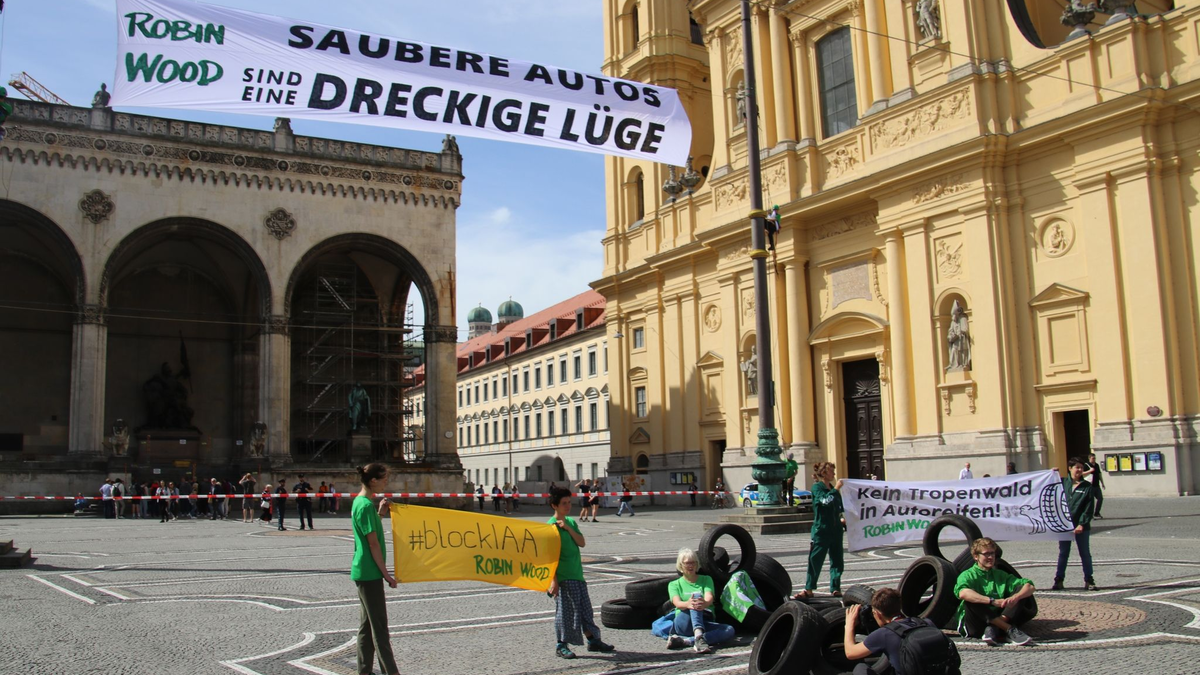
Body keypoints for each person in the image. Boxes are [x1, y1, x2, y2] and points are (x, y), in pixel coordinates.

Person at [547, 486, 614, 659]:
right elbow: (549, 557)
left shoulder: (570, 521)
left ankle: (593, 641)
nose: (568, 506)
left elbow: (581, 542)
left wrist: (568, 528)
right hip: (564, 577)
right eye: (563, 503)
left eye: (569, 502)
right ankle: (561, 644)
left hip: (577, 574)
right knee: (565, 612)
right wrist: (553, 580)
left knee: (585, 610)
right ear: (554, 505)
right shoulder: (549, 527)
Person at [351, 463, 400, 675]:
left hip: (362, 570)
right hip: (370, 572)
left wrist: (380, 513)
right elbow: (373, 544)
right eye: (384, 479)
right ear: (373, 481)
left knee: (366, 626)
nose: (386, 483)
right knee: (380, 628)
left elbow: (369, 530)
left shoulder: (360, 503)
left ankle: (364, 670)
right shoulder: (365, 506)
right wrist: (386, 574)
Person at [843, 587, 960, 675]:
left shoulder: (884, 634)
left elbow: (850, 653)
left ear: (877, 613)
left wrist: (849, 626)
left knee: (860, 669)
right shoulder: (926, 623)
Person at [954, 537, 1036, 645]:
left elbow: (1030, 586)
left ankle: (994, 627)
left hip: (995, 620)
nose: (990, 557)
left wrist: (1015, 598)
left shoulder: (1000, 575)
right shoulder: (967, 575)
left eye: (992, 553)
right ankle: (1008, 629)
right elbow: (963, 593)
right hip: (974, 625)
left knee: (1021, 592)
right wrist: (992, 601)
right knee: (972, 599)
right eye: (986, 554)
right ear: (976, 556)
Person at [660, 548, 734, 653]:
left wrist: (704, 603)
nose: (691, 566)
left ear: (697, 564)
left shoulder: (706, 579)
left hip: (705, 619)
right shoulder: (674, 584)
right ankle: (699, 637)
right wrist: (688, 604)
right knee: (695, 600)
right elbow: (677, 603)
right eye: (687, 563)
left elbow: (709, 598)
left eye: (693, 563)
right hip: (684, 622)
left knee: (729, 630)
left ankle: (687, 641)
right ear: (681, 565)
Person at [795, 462, 844, 599]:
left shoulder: (832, 488)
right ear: (823, 473)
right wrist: (836, 489)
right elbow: (825, 501)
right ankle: (809, 588)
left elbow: (839, 507)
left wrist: (842, 518)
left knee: (837, 560)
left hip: (836, 530)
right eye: (831, 471)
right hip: (821, 530)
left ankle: (835, 587)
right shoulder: (817, 488)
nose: (834, 473)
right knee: (815, 560)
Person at [1053, 457, 1099, 591]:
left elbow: (1089, 508)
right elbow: (1046, 486)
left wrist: (1082, 524)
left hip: (1081, 527)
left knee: (1085, 553)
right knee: (1063, 553)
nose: (1079, 470)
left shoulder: (1087, 487)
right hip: (1065, 526)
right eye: (1076, 467)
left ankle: (1089, 580)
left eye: (1081, 467)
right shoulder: (1062, 483)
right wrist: (1051, 473)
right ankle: (1059, 579)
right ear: (1070, 468)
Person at [1083, 452, 1105, 518]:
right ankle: (1089, 514)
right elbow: (1082, 473)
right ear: (1089, 458)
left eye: (1095, 458)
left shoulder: (1097, 465)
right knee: (1090, 501)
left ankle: (1097, 512)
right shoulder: (1086, 465)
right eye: (1093, 458)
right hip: (1089, 485)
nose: (1094, 459)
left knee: (1100, 498)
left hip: (1096, 485)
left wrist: (1102, 483)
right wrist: (1090, 471)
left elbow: (1099, 474)